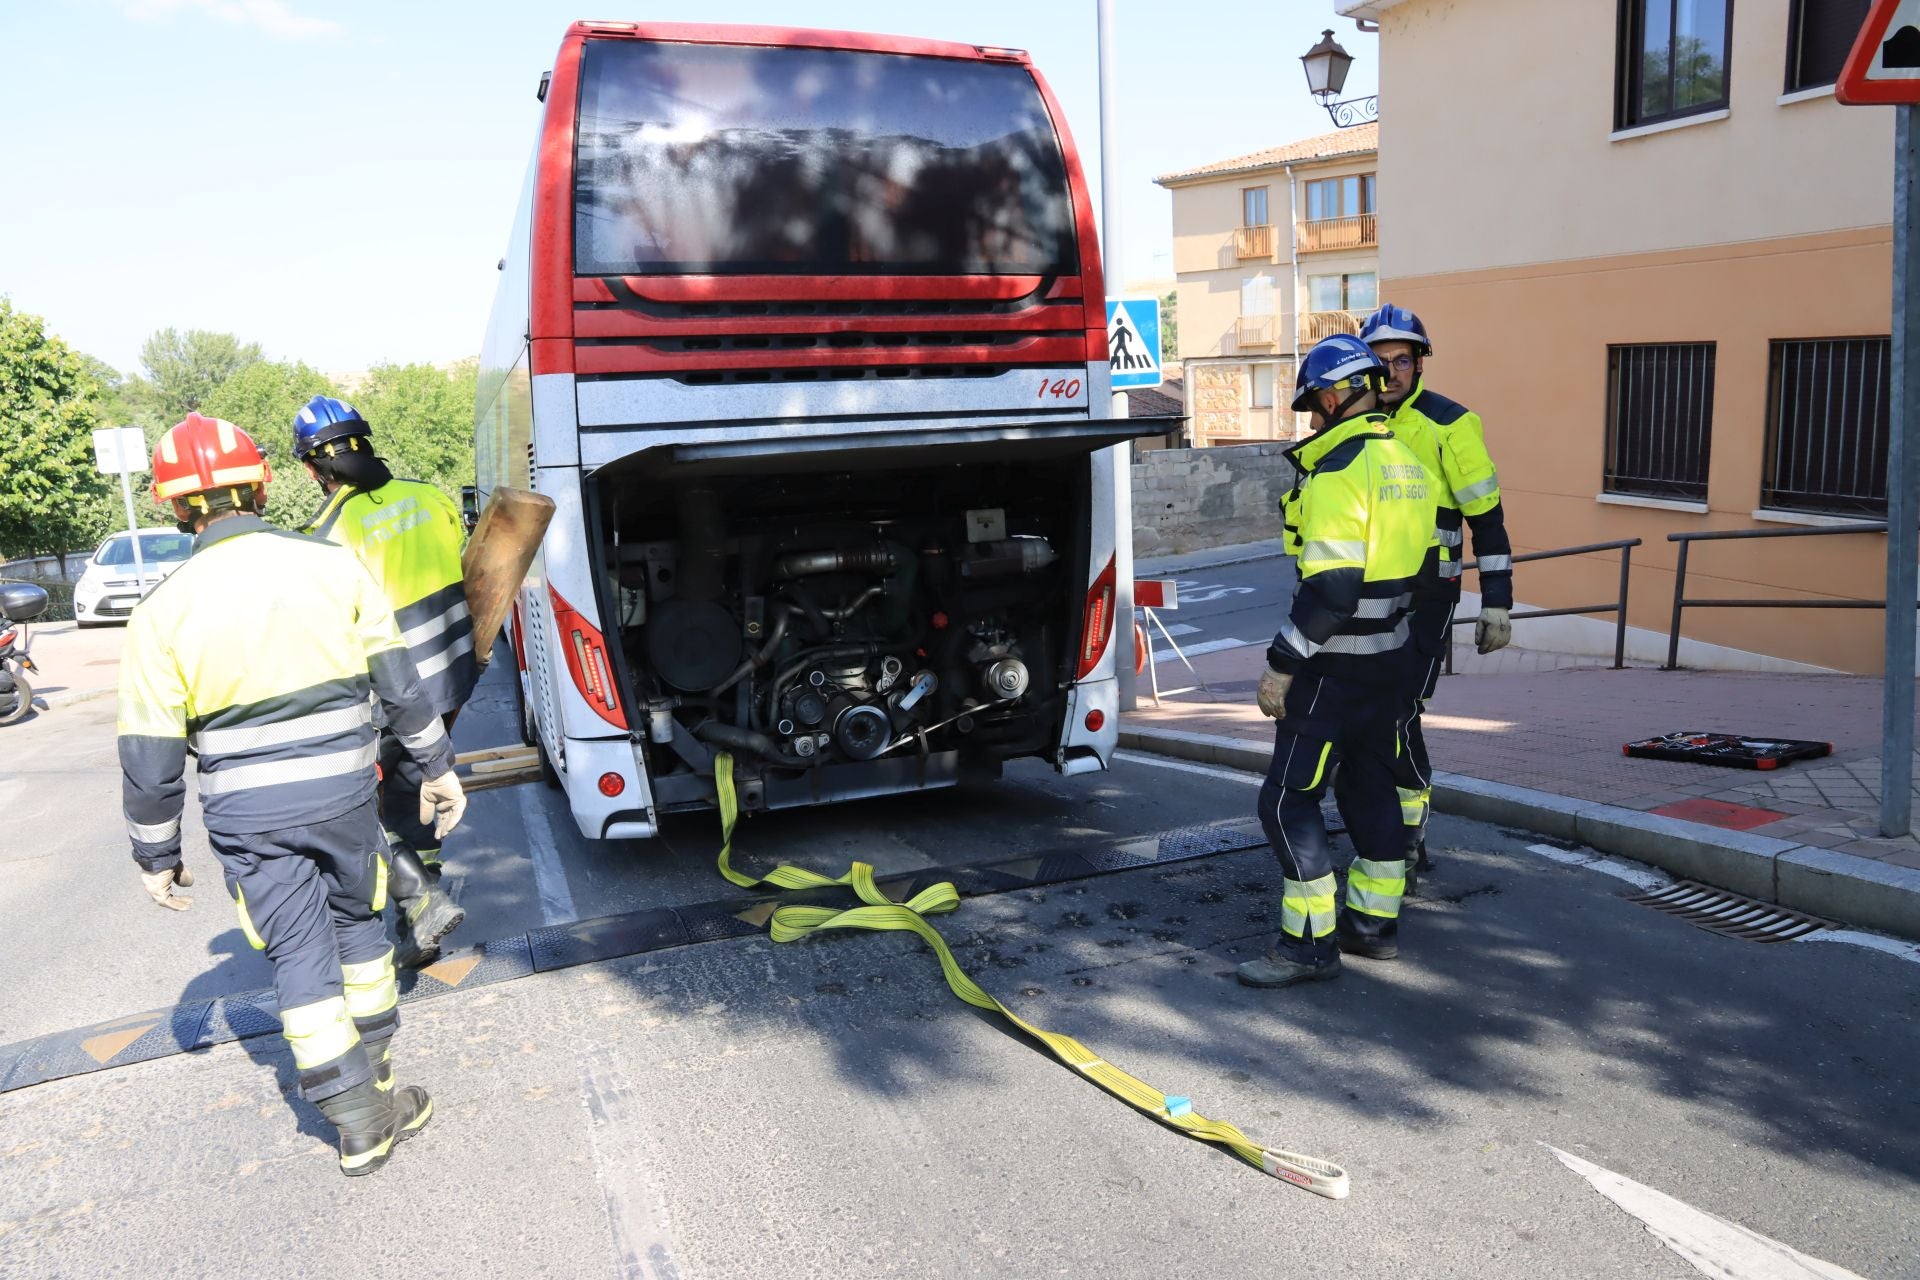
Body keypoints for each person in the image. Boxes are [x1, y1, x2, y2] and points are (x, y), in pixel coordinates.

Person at [119, 413, 469, 1175]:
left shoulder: (159, 613)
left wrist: (156, 853)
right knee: (360, 932)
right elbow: (399, 683)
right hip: (344, 799)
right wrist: (437, 767)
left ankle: (357, 1123)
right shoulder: (332, 566)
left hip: (250, 819)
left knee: (300, 959)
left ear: (178, 508)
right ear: (262, 484)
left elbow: (149, 753)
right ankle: (375, 1084)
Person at [1239, 336, 1438, 989]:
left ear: (1331, 396)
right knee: (1370, 788)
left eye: (1313, 410)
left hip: (1333, 670)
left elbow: (1332, 589)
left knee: (1286, 802)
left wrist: (1281, 663)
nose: (1313, 422)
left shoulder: (1338, 474)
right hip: (1392, 663)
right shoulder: (1408, 463)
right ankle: (1372, 927)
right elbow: (1430, 573)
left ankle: (1307, 944)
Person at [295, 395, 477, 968]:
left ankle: (418, 902)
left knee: (363, 807)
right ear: (366, 442)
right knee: (416, 791)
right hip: (454, 679)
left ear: (310, 468)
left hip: (395, 694)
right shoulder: (432, 497)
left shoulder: (326, 534)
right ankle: (423, 913)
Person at [1360, 304, 1515, 886]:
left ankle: (1408, 830)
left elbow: (1489, 521)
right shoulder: (1354, 422)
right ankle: (1381, 821)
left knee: (1399, 709)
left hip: (1427, 594)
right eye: (1382, 362)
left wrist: (1496, 599)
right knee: (1367, 709)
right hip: (1364, 595)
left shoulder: (1451, 424)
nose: (1393, 372)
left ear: (1420, 364)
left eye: (1404, 360)